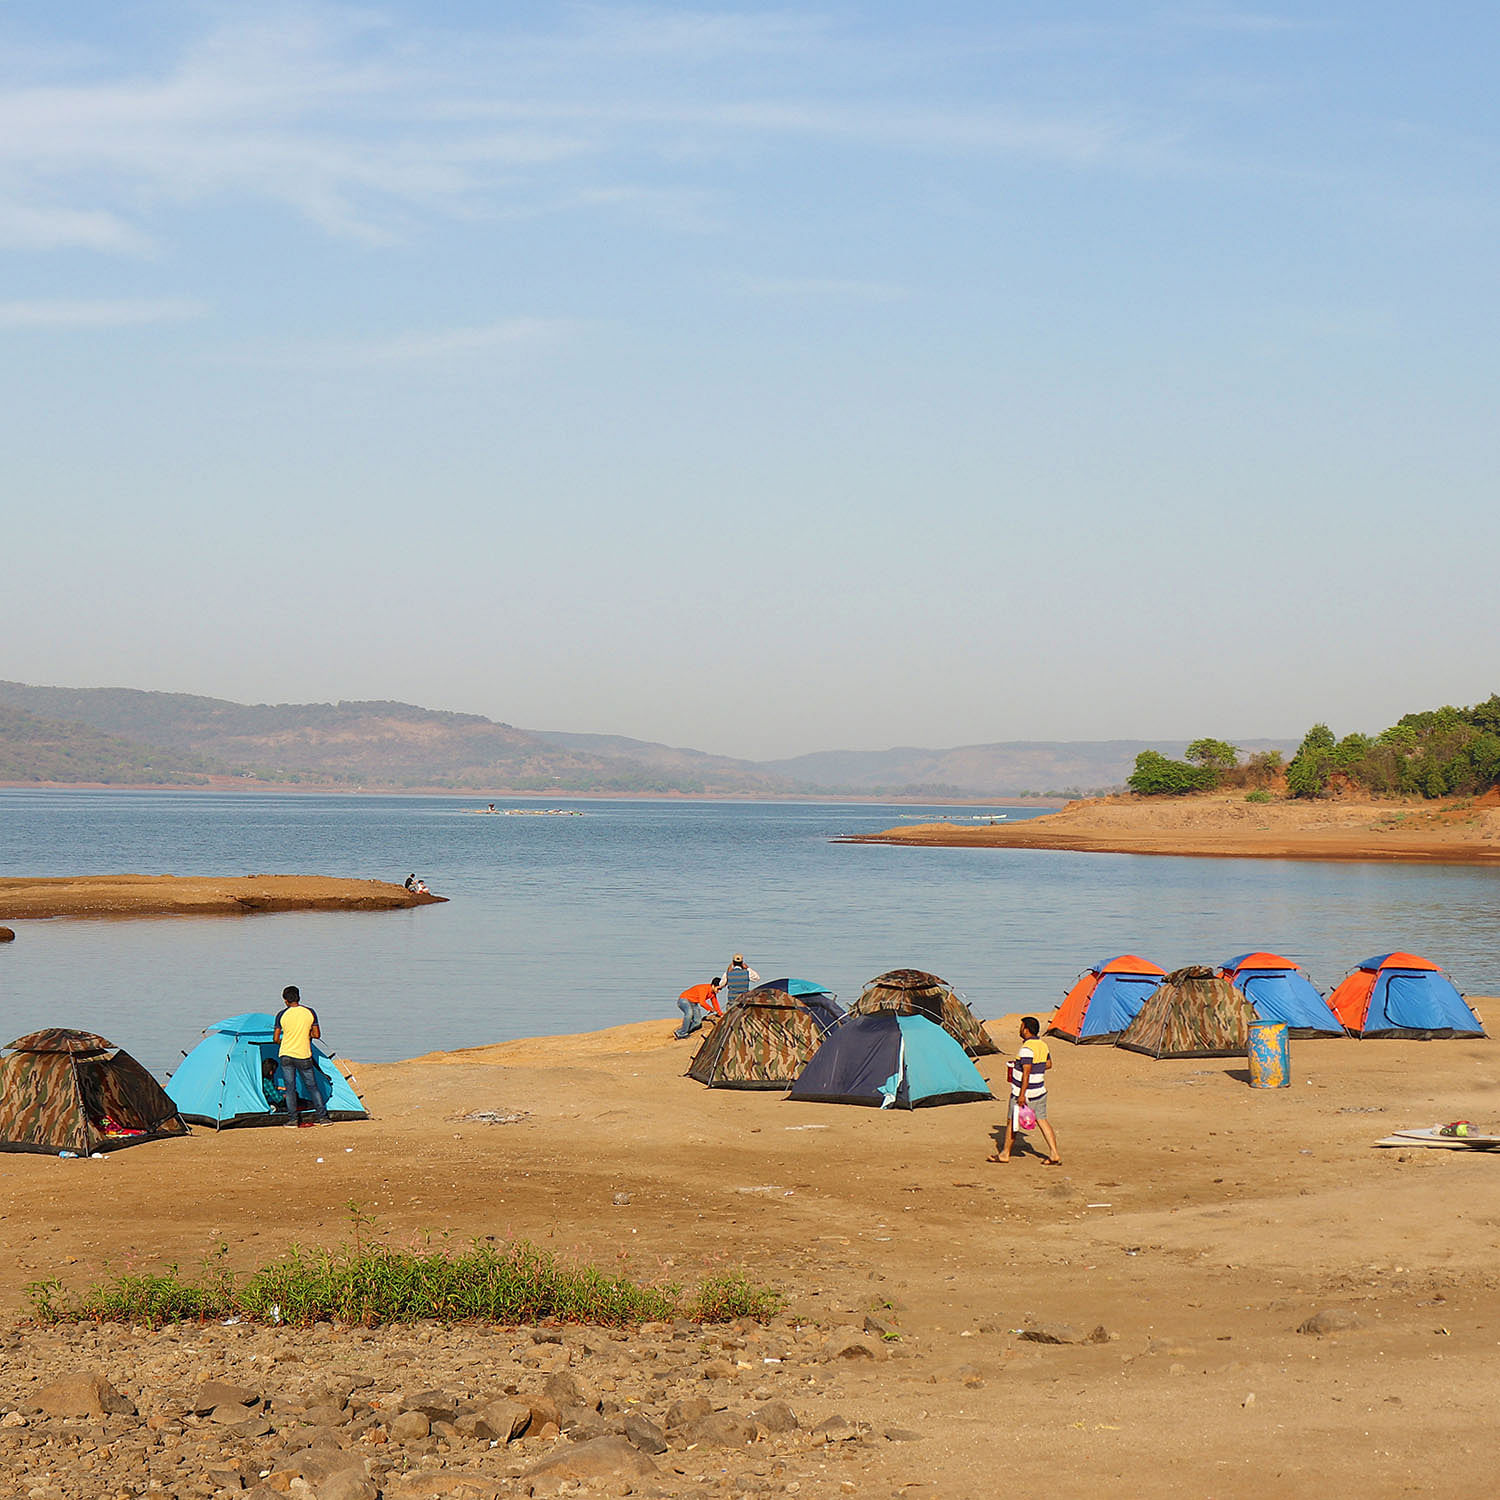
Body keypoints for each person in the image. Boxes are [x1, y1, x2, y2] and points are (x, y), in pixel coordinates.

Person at [990, 1015, 1061, 1165]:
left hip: (1024, 1093)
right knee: (1042, 1120)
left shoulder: (1026, 1049)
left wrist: (1021, 1095)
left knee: (1011, 1121)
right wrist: (1035, 1068)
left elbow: (1026, 1073)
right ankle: (1054, 1153)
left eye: (1021, 1027)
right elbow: (1048, 1064)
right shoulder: (1042, 1045)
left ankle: (1004, 1154)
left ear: (1027, 1030)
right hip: (1039, 1090)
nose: (1020, 1029)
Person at [273, 985, 330, 1127]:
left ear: (285, 1000)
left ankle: (292, 1120)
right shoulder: (309, 1012)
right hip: (303, 1055)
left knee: (290, 1088)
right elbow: (316, 1034)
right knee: (312, 1086)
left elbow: (275, 1039)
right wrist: (305, 1035)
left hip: (286, 1054)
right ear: (299, 997)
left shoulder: (281, 1015)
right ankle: (322, 1118)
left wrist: (285, 1040)